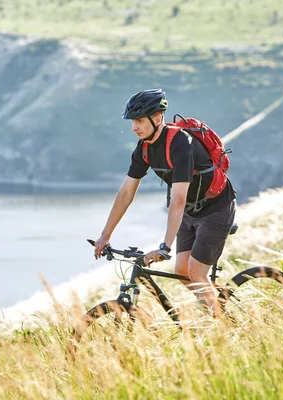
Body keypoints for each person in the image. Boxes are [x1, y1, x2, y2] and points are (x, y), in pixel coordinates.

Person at [93, 88, 236, 317]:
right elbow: (126, 193)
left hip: (216, 208)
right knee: (182, 272)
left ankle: (225, 332)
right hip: (190, 211)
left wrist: (165, 247)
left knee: (196, 273)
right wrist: (105, 235)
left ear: (157, 118)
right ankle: (218, 308)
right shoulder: (144, 148)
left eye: (139, 120)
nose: (134, 127)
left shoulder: (181, 143)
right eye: (133, 121)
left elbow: (178, 199)